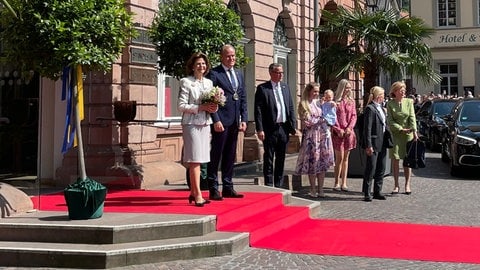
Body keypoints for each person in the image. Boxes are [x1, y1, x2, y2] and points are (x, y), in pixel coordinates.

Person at [206, 44, 248, 200]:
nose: (232, 59)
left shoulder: (239, 74)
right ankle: (213, 187)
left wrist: (244, 118)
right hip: (221, 121)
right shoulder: (215, 74)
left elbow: (242, 98)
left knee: (230, 155)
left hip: (235, 121)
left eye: (234, 56)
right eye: (228, 56)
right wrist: (215, 119)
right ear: (222, 57)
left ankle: (228, 186)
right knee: (216, 154)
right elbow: (210, 98)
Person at [177, 52, 218, 207]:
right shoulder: (186, 82)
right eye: (198, 64)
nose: (201, 66)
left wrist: (213, 107)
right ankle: (199, 194)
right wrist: (200, 107)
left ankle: (193, 192)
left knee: (201, 158)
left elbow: (212, 104)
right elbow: (181, 106)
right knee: (194, 159)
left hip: (205, 123)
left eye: (203, 64)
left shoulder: (209, 83)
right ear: (193, 66)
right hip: (191, 124)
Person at [254, 63, 297, 188]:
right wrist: (260, 129)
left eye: (282, 72)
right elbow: (258, 110)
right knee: (269, 157)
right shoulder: (263, 88)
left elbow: (290, 106)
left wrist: (293, 125)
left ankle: (278, 184)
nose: (281, 75)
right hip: (269, 128)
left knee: (281, 157)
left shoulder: (285, 87)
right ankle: (269, 183)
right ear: (271, 73)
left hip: (283, 128)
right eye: (278, 72)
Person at [294, 82, 334, 197]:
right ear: (309, 91)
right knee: (312, 163)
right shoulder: (304, 104)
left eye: (318, 91)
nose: (317, 93)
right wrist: (321, 119)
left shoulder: (319, 103)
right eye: (315, 91)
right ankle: (312, 189)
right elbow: (308, 122)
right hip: (311, 137)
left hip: (322, 135)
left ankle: (321, 189)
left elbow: (329, 114)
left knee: (322, 163)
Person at [386, 81, 419, 195]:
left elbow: (412, 117)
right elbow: (390, 120)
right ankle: (396, 185)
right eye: (401, 90)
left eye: (404, 90)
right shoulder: (390, 104)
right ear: (395, 91)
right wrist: (400, 128)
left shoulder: (409, 102)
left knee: (407, 160)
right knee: (395, 159)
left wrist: (414, 131)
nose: (403, 92)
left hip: (408, 134)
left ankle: (407, 184)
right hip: (396, 134)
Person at [362, 86, 388, 202]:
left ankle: (377, 190)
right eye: (382, 95)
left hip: (382, 141)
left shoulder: (381, 108)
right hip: (373, 141)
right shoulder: (370, 108)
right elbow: (367, 128)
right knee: (371, 167)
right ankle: (367, 192)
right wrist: (368, 145)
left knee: (381, 167)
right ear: (379, 96)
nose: (384, 97)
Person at [331, 79, 357, 191]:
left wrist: (349, 128)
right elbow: (332, 117)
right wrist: (338, 129)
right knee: (339, 158)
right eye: (347, 88)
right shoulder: (335, 102)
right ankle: (336, 181)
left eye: (350, 88)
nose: (348, 90)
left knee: (346, 158)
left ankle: (344, 182)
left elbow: (354, 116)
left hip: (348, 133)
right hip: (338, 133)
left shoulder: (351, 101)